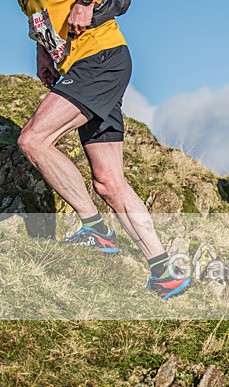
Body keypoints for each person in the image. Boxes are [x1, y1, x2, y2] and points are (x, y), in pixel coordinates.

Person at [16, 0, 190, 300]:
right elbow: (43, 20)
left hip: (100, 58)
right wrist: (42, 53)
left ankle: (96, 229)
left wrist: (84, 3)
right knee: (109, 182)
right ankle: (164, 272)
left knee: (33, 140)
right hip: (91, 65)